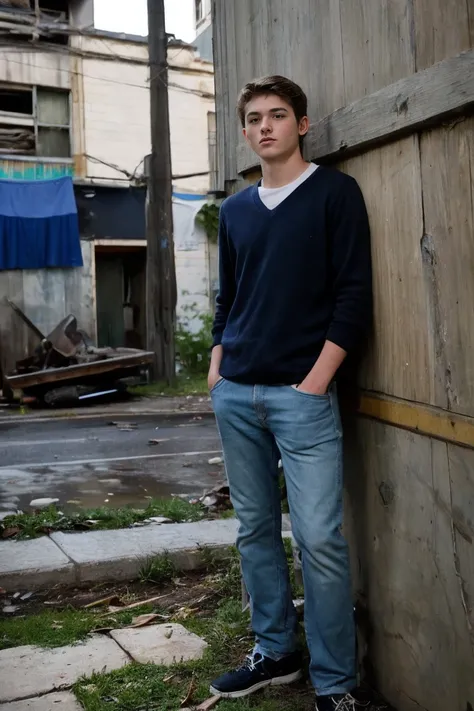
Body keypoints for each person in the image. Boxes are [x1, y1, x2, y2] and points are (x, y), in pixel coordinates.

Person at [207, 75, 373, 711]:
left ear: (302, 124)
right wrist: (219, 367)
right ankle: (275, 651)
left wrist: (316, 380)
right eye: (254, 118)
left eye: (278, 115)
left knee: (319, 539)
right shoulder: (236, 211)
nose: (265, 126)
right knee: (253, 530)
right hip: (237, 392)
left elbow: (354, 296)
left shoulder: (335, 193)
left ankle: (335, 684)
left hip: (302, 396)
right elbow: (228, 298)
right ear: (246, 132)